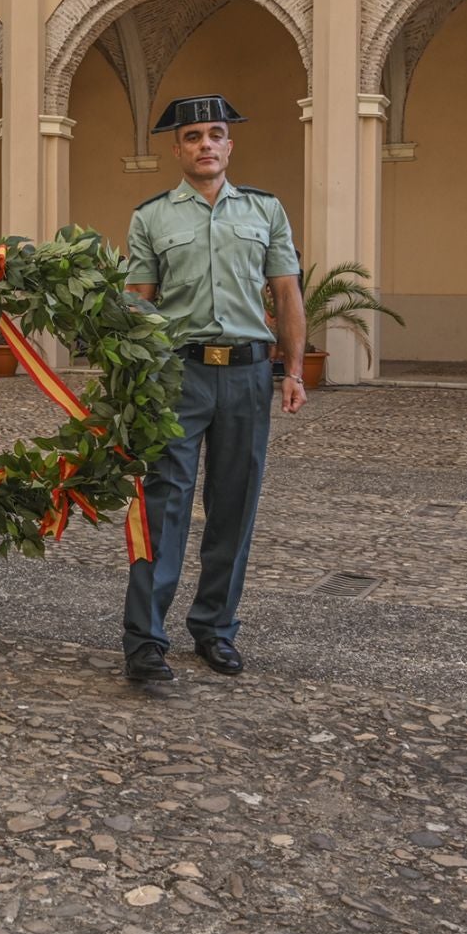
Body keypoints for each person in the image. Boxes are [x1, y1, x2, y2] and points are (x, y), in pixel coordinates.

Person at [121, 95, 306, 684]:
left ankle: (215, 629)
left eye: (215, 134)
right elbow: (138, 305)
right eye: (193, 135)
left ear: (230, 146)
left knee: (235, 505)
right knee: (163, 503)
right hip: (178, 374)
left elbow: (286, 295)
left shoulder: (265, 211)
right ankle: (145, 640)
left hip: (249, 375)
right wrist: (128, 379)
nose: (205, 144)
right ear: (177, 149)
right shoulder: (151, 217)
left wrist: (294, 372)